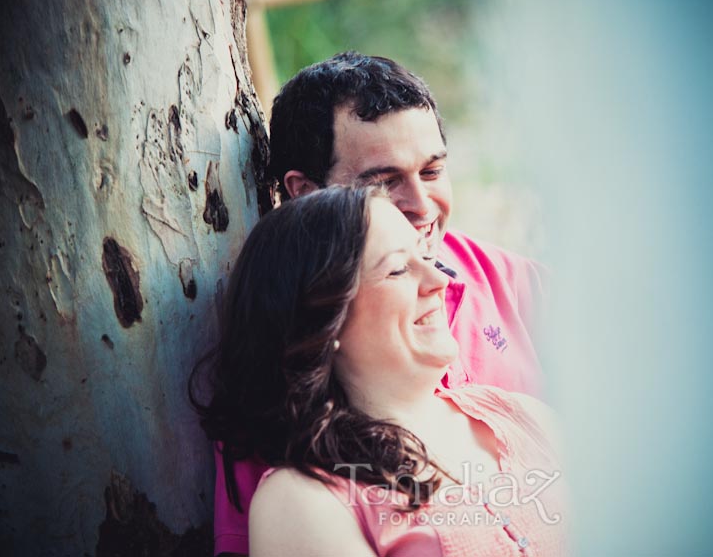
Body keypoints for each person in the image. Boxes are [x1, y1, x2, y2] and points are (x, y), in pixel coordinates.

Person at [212, 51, 548, 555]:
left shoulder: (522, 290)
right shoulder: (284, 409)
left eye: (432, 171)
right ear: (304, 194)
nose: (422, 204)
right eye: (384, 182)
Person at [192, 186, 564, 556]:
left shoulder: (527, 417)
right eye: (399, 269)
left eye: (426, 257)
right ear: (323, 323)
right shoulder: (303, 502)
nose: (441, 282)